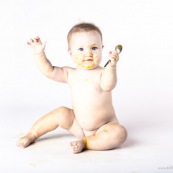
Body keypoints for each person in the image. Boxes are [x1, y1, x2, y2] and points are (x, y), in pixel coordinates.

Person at [17, 22, 127, 154]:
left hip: (104, 127)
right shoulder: (70, 73)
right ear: (70, 52)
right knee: (61, 112)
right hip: (78, 126)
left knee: (119, 133)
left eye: (94, 48)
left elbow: (109, 85)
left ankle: (87, 142)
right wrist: (39, 54)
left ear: (102, 48)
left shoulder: (103, 72)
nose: (88, 54)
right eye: (81, 49)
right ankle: (32, 134)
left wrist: (112, 67)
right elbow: (49, 71)